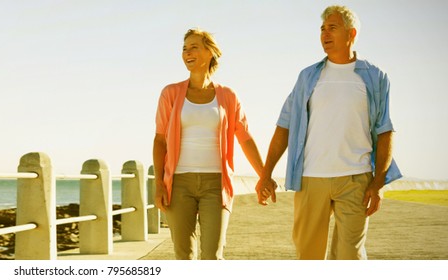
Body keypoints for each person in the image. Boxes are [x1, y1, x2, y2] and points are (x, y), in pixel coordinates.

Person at [256, 5, 402, 260]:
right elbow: (284, 125)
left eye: (332, 27)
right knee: (308, 256)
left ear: (351, 33)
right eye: (322, 29)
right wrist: (266, 174)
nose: (324, 33)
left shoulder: (375, 77)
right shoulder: (308, 77)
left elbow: (385, 131)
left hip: (356, 180)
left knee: (350, 258)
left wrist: (378, 183)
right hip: (311, 178)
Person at [153, 28, 267, 260]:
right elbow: (160, 140)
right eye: (184, 49)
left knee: (212, 256)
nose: (187, 53)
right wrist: (158, 184)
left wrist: (264, 176)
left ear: (209, 52)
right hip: (178, 183)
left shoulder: (228, 95)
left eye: (194, 47)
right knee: (183, 254)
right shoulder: (171, 93)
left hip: (216, 184)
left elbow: (244, 137)